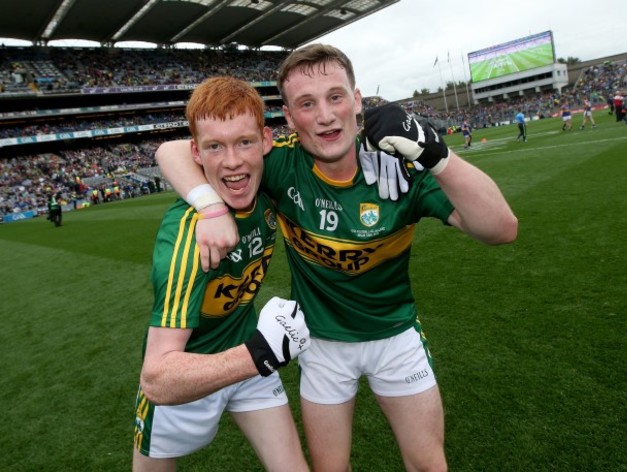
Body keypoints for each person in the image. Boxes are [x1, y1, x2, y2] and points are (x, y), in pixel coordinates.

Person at [156, 43, 518, 472]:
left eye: (335, 97)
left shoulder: (400, 168)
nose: (325, 115)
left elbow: (501, 228)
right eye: (307, 104)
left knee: (428, 465)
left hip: (396, 336)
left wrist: (433, 152)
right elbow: (175, 150)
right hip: (321, 344)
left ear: (357, 101)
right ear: (288, 119)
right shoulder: (279, 164)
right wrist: (211, 206)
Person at [132, 76, 311, 472]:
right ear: (198, 152)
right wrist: (260, 353)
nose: (232, 161)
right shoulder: (185, 239)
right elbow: (157, 378)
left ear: (266, 140)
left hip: (246, 349)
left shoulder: (268, 184)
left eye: (244, 142)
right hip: (189, 374)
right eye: (215, 147)